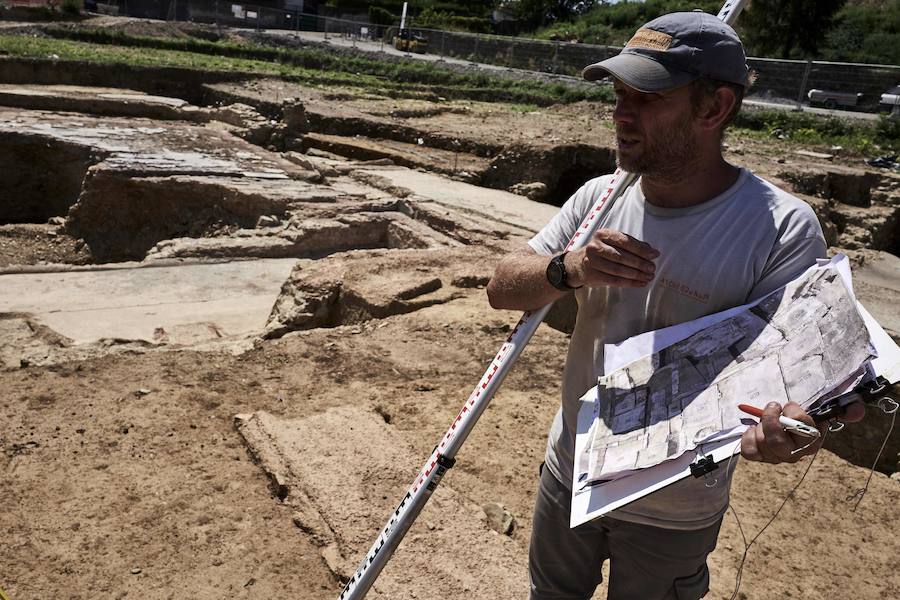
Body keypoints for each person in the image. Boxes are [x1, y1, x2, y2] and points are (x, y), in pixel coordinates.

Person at [486, 11, 864, 600]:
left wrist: (790, 427)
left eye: (647, 97)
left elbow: (800, 379)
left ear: (713, 108)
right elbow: (501, 287)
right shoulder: (600, 196)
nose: (621, 113)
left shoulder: (780, 229)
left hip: (674, 508)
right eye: (618, 94)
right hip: (571, 471)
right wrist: (569, 267)